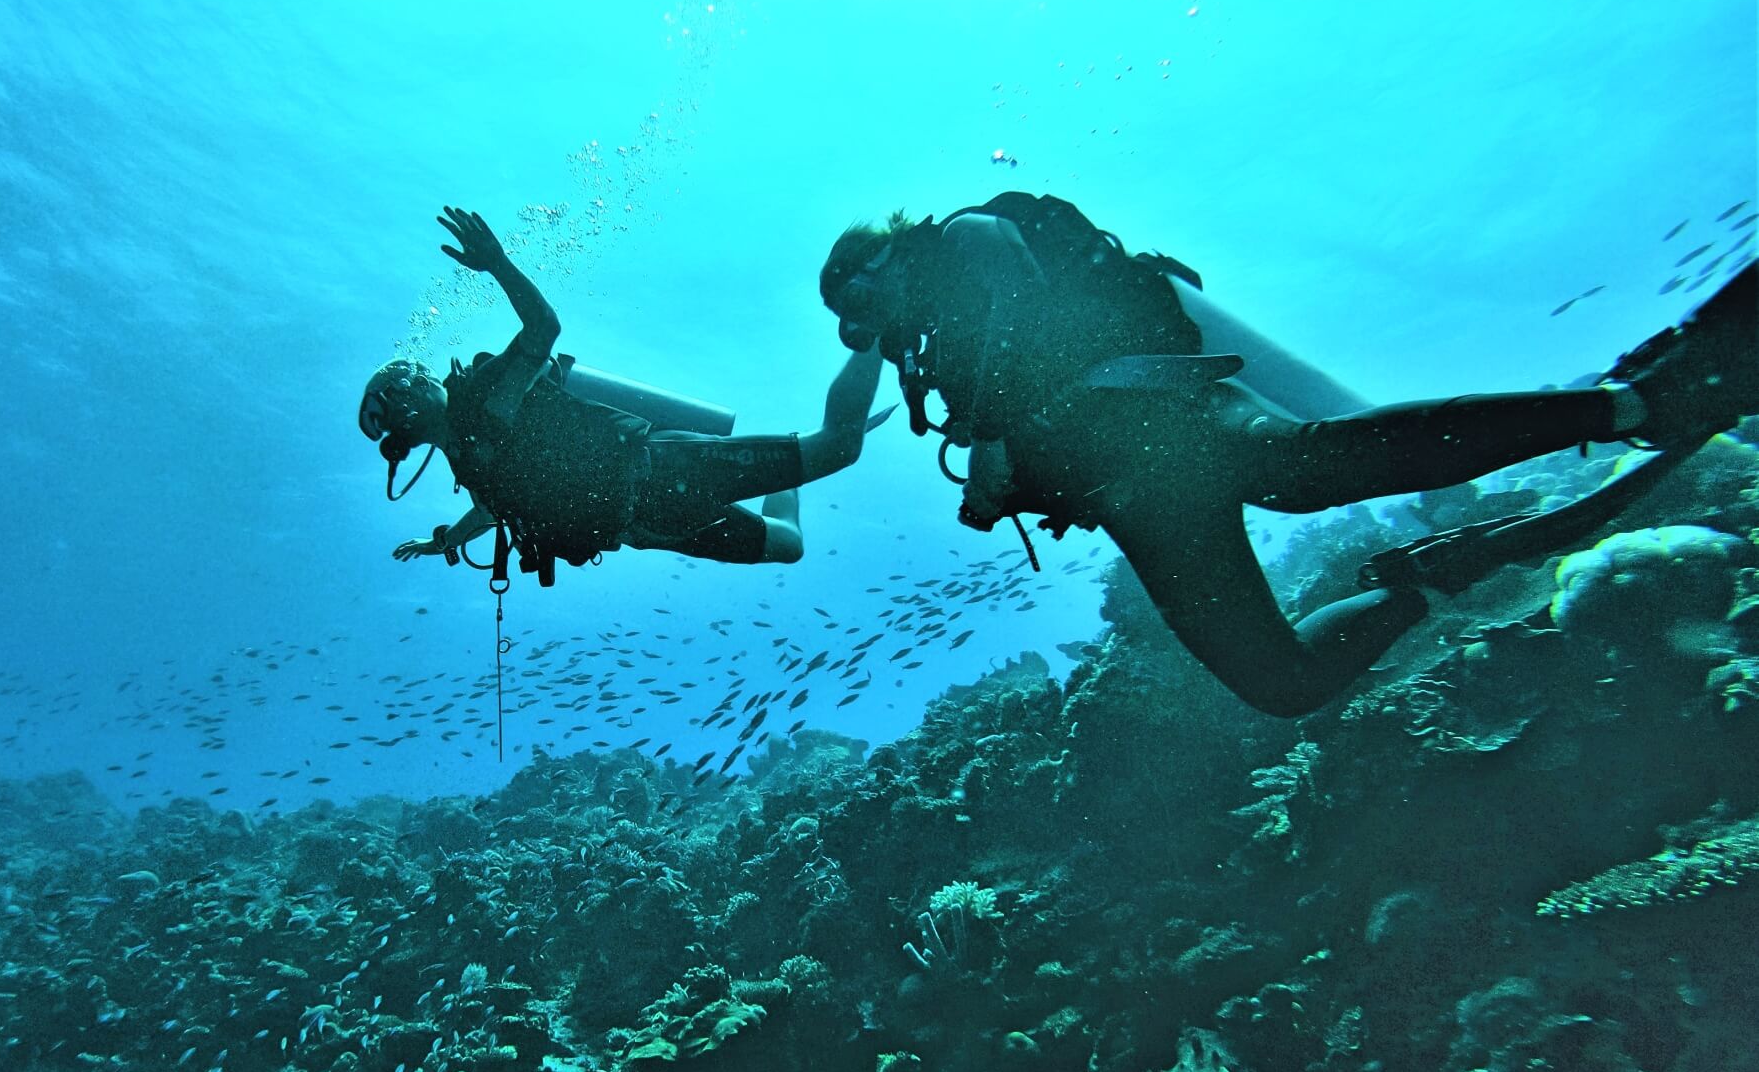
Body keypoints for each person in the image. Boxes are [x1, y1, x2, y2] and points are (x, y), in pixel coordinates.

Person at [819, 191, 1759, 717]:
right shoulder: (934, 345)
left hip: (1166, 411)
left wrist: (989, 441)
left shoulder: (967, 238)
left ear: (878, 262)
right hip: (1129, 491)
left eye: (853, 306)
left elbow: (1023, 302)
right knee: (1282, 683)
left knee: (1310, 468)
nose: (860, 329)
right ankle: (1431, 575)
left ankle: (1635, 403)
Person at [361, 206, 886, 578]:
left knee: (838, 447)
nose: (421, 375)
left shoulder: (486, 390)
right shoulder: (469, 464)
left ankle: (880, 325)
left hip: (664, 469)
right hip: (648, 527)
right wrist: (443, 542)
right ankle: (793, 464)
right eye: (405, 384)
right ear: (405, 414)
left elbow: (543, 330)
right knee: (787, 546)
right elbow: (492, 511)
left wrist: (498, 263)